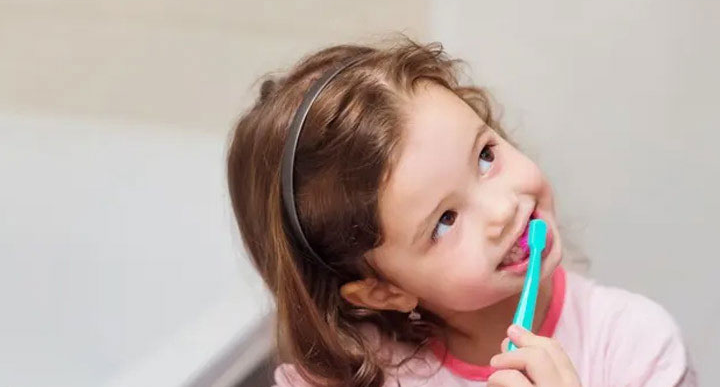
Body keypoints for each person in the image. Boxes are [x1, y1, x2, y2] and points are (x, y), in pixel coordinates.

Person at [226, 37, 696, 386]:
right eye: (445, 221)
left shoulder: (635, 345)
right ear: (384, 291)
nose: (503, 209)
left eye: (485, 157)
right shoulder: (352, 377)